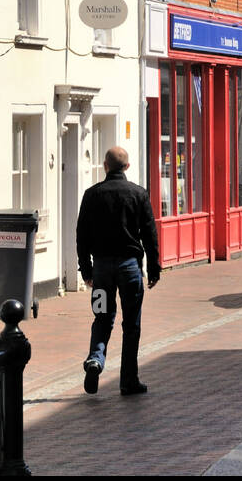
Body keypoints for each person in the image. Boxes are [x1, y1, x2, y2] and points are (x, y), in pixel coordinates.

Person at [78, 146, 160, 395]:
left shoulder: (92, 195)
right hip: (129, 269)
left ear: (105, 166)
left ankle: (95, 359)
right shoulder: (138, 194)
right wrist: (154, 267)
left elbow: (81, 235)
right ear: (127, 167)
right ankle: (128, 380)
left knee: (102, 316)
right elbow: (149, 234)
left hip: (102, 268)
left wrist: (86, 270)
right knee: (131, 323)